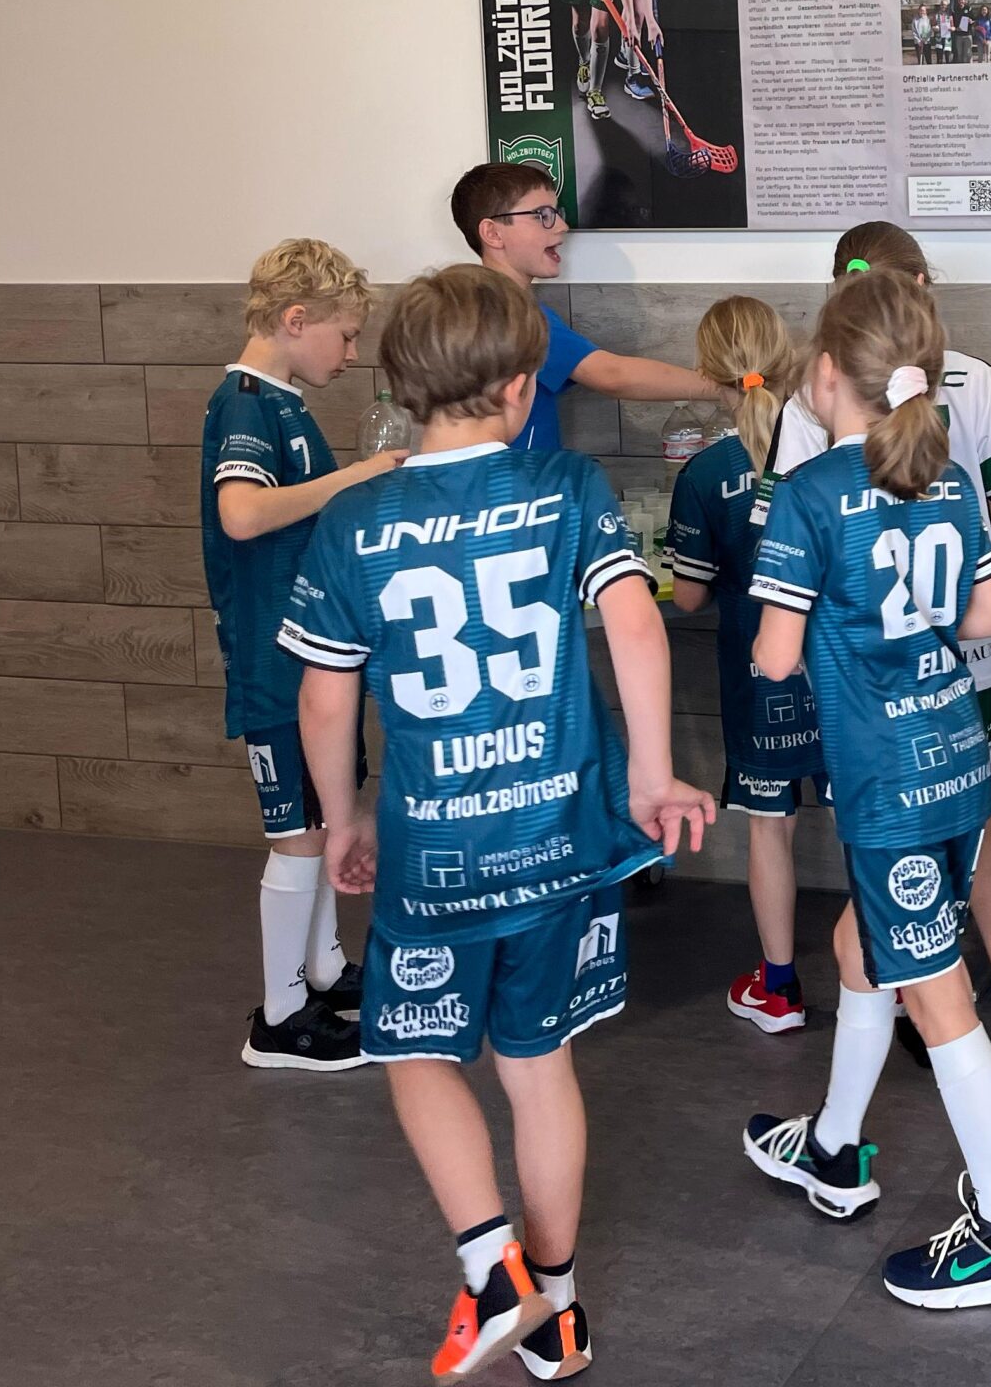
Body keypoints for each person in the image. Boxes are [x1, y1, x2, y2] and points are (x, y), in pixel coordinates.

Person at [286, 264, 715, 1378]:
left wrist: (343, 818)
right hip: (560, 839)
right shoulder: (567, 485)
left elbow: (325, 697)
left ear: (398, 386)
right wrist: (652, 777)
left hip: (433, 856)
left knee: (417, 1052)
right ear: (524, 387)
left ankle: (491, 1269)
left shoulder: (354, 518)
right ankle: (558, 1311)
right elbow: (637, 625)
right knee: (539, 1062)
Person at [739, 270, 991, 1310]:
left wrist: (824, 630)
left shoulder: (808, 495)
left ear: (823, 375)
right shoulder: (951, 485)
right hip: (957, 763)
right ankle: (834, 1149)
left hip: (886, 784)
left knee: (937, 996)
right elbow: (990, 621)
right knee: (860, 947)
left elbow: (775, 657)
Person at [773, 223, 991, 1058]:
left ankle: (915, 996)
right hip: (960, 651)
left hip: (860, 668)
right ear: (924, 290)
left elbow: (793, 537)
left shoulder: (809, 399)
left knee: (891, 835)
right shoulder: (969, 380)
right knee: (974, 813)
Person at [203, 239, 403, 1073]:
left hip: (314, 654)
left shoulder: (282, 402)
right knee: (298, 832)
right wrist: (359, 476)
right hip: (274, 660)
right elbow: (243, 514)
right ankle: (280, 1018)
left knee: (325, 820)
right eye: (345, 335)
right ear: (295, 320)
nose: (351, 353)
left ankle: (321, 968)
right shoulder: (245, 403)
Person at [665, 297, 826, 1033]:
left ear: (709, 375)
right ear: (788, 359)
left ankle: (780, 989)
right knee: (864, 822)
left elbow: (690, 594)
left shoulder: (704, 472)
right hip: (838, 671)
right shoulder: (831, 451)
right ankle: (888, 977)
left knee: (770, 827)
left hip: (757, 675)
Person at [448, 161, 724, 454]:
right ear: (492, 233)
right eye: (542, 215)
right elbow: (612, 375)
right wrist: (724, 388)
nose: (562, 226)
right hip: (519, 478)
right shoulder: (512, 316)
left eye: (557, 213)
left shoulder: (472, 307)